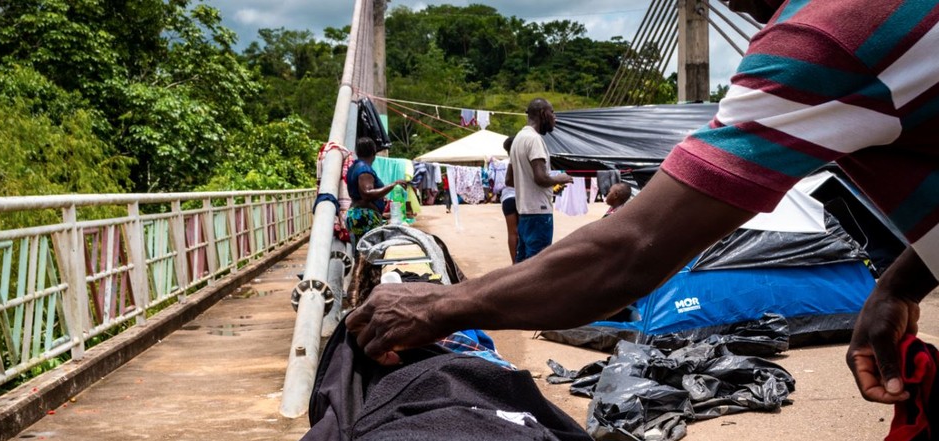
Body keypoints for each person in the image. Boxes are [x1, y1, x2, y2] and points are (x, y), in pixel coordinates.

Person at [348, 0, 939, 411]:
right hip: (532, 207)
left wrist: (446, 304)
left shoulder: (826, 37)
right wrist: (900, 282)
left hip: (534, 210)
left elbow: (631, 249)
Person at [505, 98, 573, 262]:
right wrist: (561, 178)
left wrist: (526, 183)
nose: (555, 118)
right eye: (552, 112)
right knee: (537, 266)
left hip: (524, 213)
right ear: (543, 114)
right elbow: (541, 178)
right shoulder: (534, 140)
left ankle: (517, 288)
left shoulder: (518, 139)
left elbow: (509, 180)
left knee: (523, 265)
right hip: (539, 213)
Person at [345, 136, 407, 254]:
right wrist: (394, 184)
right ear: (374, 152)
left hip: (357, 215)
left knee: (361, 255)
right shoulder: (364, 170)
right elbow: (367, 194)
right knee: (371, 256)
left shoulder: (355, 166)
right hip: (364, 216)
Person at [499, 136, 519, 264]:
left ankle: (514, 262)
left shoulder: (502, 163)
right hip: (521, 198)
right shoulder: (520, 161)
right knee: (523, 231)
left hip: (507, 199)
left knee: (512, 233)